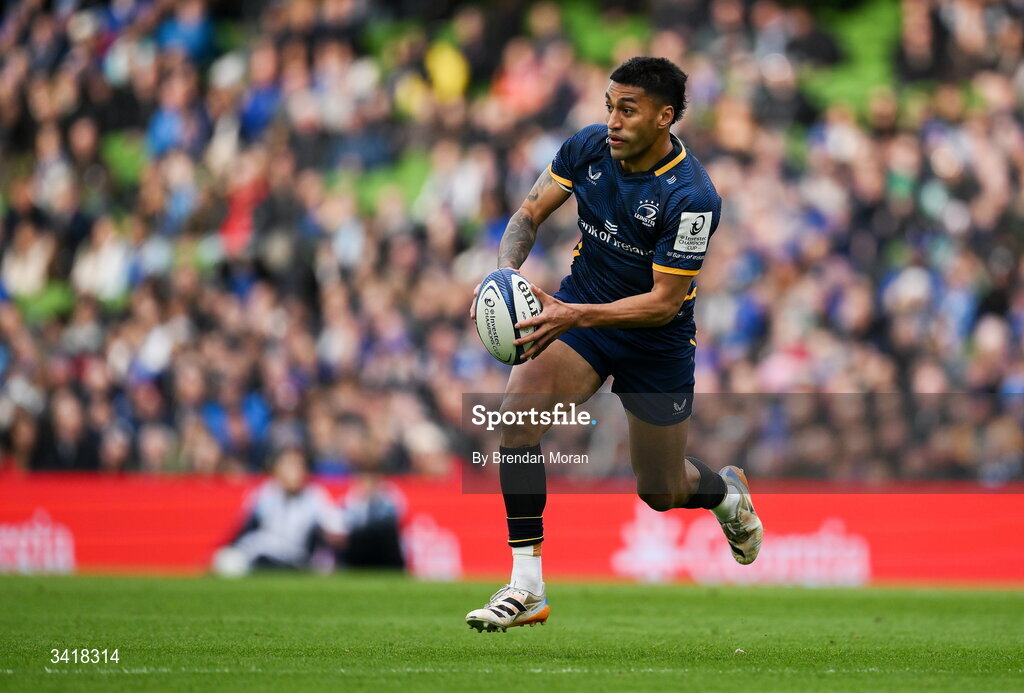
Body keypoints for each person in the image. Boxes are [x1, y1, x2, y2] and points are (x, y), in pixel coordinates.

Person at [465, 57, 763, 632]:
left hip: (655, 342)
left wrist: (574, 315)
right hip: (582, 319)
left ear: (664, 117)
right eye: (610, 106)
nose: (613, 121)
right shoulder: (587, 150)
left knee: (661, 488)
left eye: (628, 110)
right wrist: (503, 273)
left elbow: (663, 302)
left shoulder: (693, 195)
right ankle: (526, 585)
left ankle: (727, 496)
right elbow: (528, 213)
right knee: (516, 422)